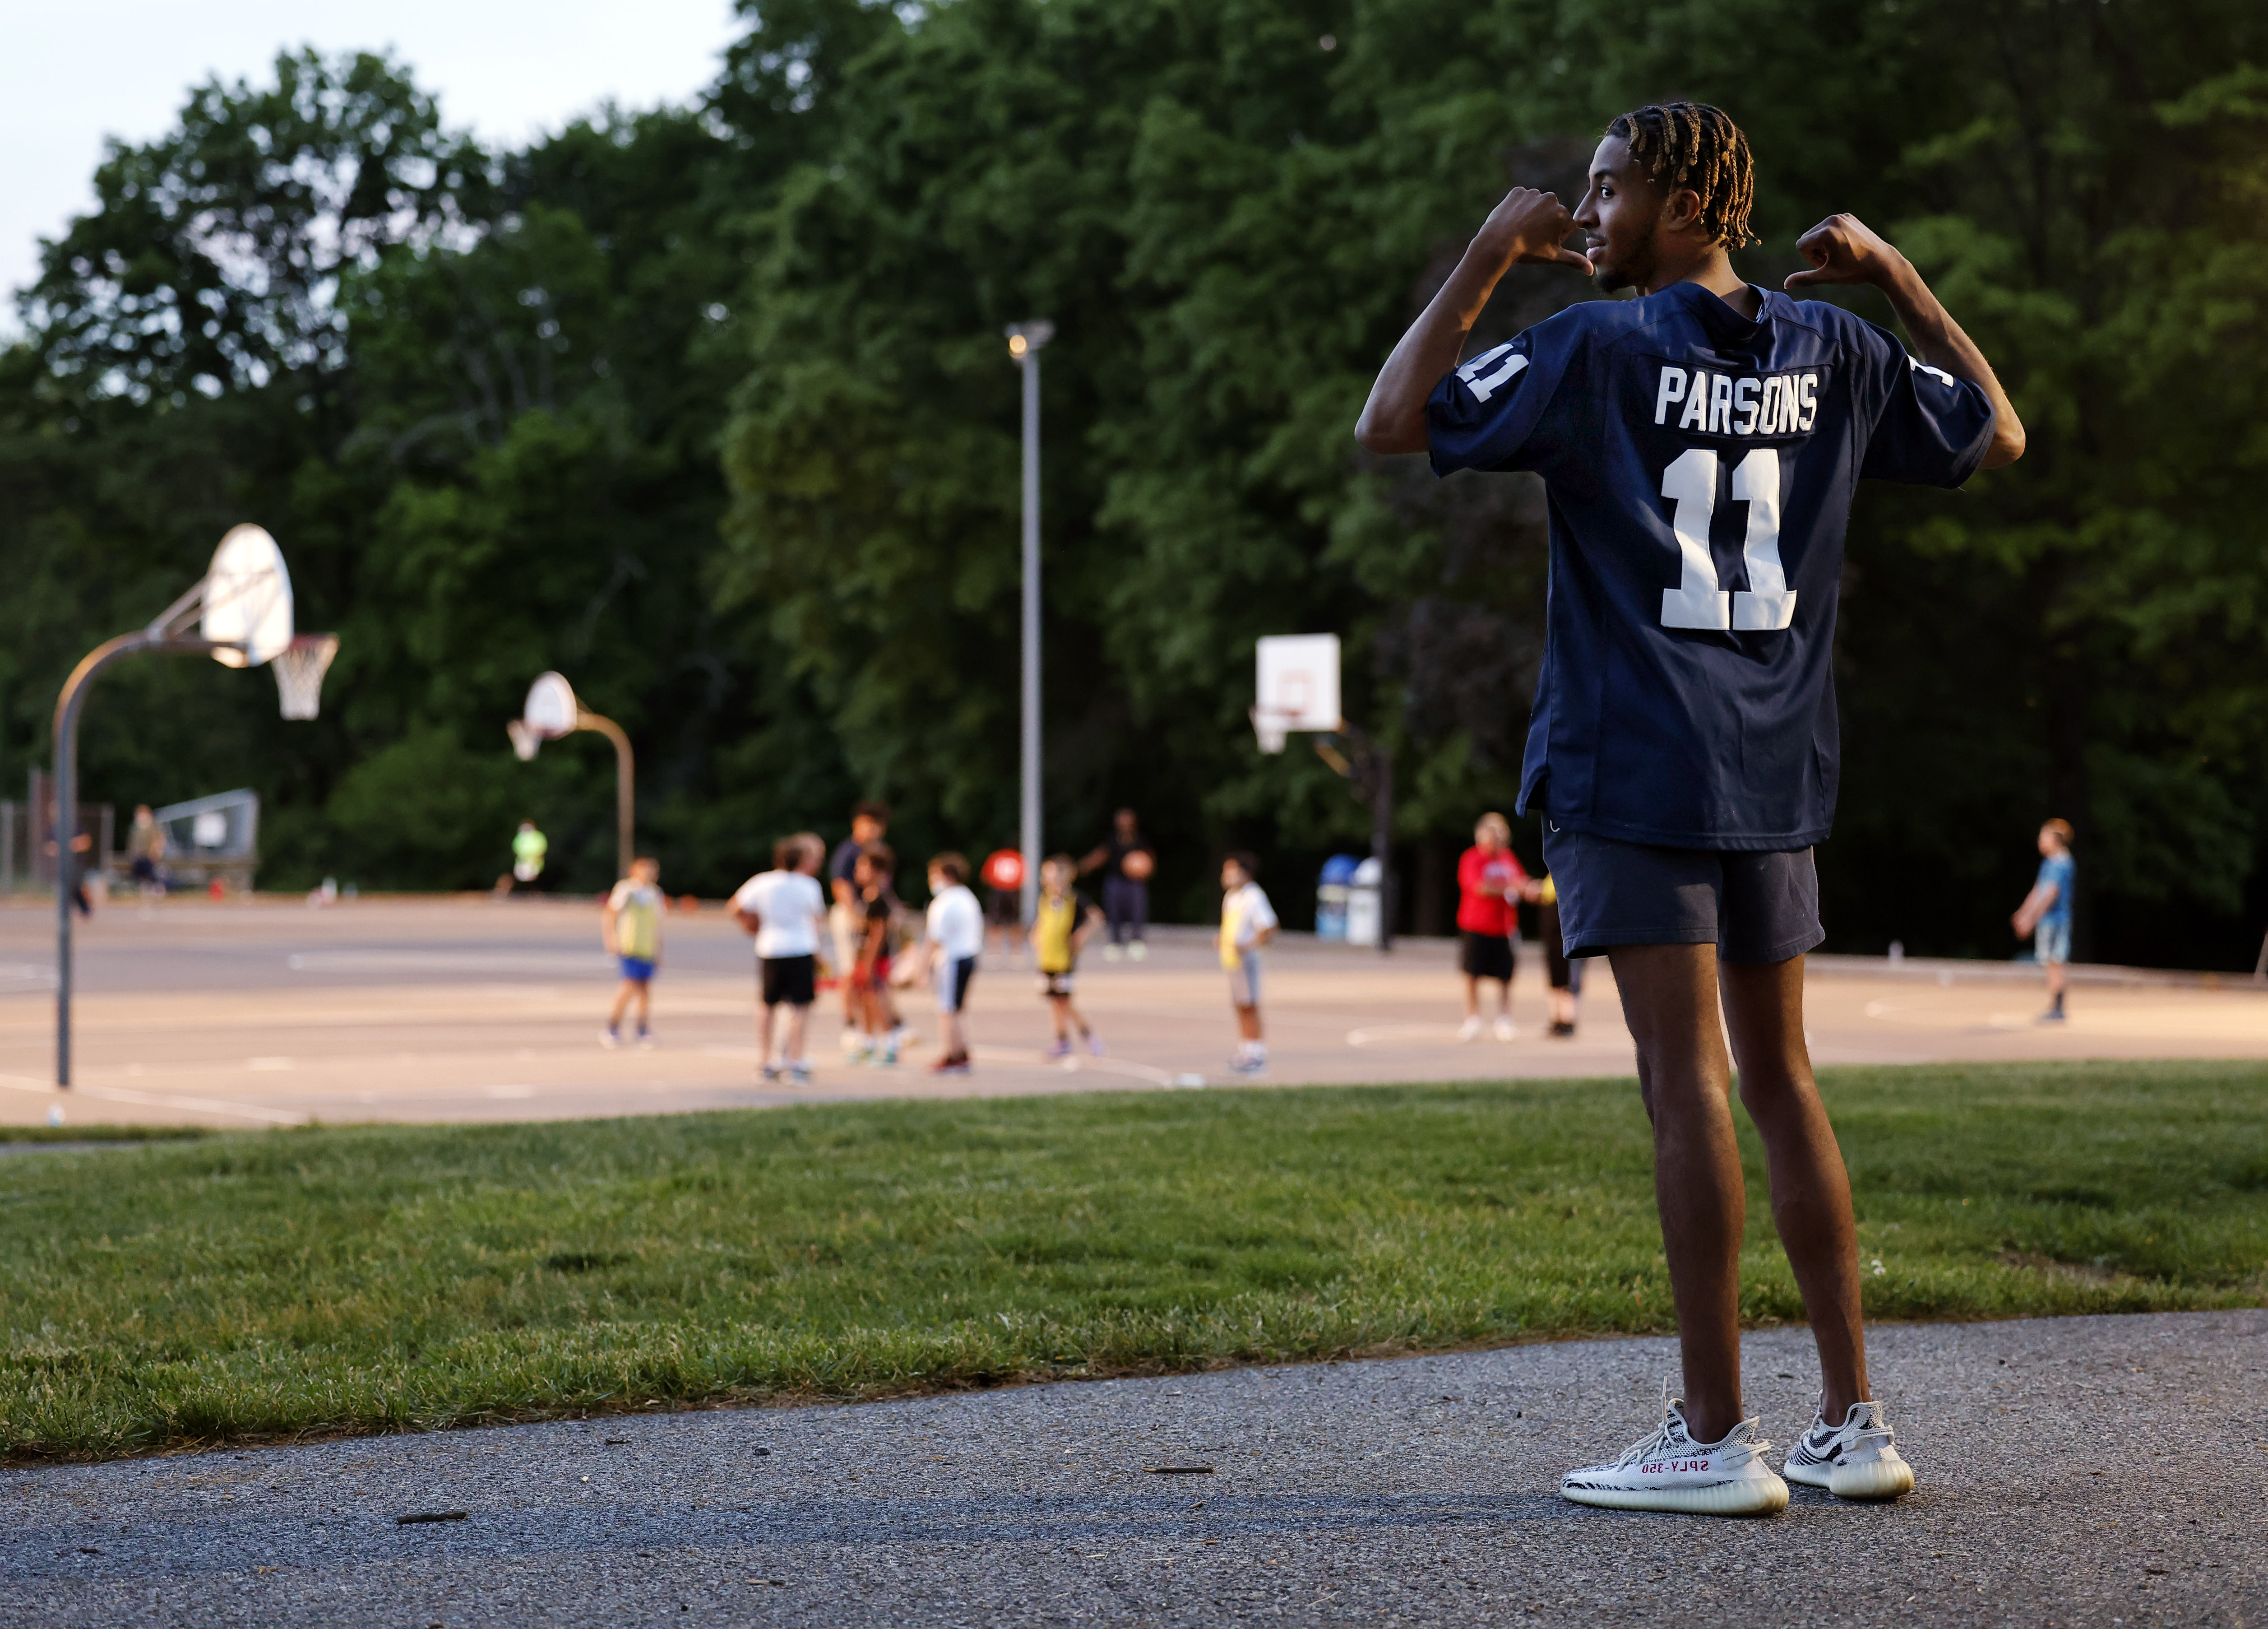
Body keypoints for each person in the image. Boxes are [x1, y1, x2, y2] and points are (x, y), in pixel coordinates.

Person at [1356, 101, 2023, 1513]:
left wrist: (1486, 252)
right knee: (1779, 1082)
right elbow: (1998, 433)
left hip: (1632, 761)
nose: (1580, 217)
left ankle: (1714, 1438)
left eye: (1603, 192)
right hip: (1774, 768)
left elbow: (1389, 421)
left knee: (1685, 1086)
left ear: (1677, 203)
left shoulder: (1596, 345)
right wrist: (1898, 277)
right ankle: (1851, 1420)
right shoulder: (1831, 347)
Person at [732, 832, 830, 1083]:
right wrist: (819, 956)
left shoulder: (763, 882)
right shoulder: (809, 886)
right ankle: (794, 1061)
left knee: (767, 1005)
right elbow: (814, 922)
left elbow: (736, 907)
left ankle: (766, 1060)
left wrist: (751, 925)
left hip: (770, 947)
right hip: (800, 948)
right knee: (800, 1008)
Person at [1456, 812, 1536, 1041]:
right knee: (1472, 974)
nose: (1499, 838)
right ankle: (1472, 1019)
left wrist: (1532, 888)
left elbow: (1521, 881)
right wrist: (1510, 887)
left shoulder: (1508, 858)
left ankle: (1504, 1019)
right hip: (1476, 925)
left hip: (1504, 927)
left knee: (1506, 976)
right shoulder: (1472, 858)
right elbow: (1480, 887)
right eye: (1494, 832)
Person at [829, 802, 890, 1050]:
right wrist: (853, 912)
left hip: (868, 915)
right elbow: (840, 884)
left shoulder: (879, 852)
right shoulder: (850, 850)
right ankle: (851, 1024)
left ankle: (876, 1030)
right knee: (849, 972)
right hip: (853, 914)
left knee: (869, 978)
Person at [1031, 855, 1104, 1058]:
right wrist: (1036, 934)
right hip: (1047, 958)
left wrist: (1082, 935)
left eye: (1050, 873)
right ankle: (1062, 1039)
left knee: (1064, 1002)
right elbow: (1042, 922)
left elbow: (1097, 917)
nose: (1045, 878)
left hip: (1064, 959)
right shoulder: (1046, 898)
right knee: (1055, 1002)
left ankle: (1085, 1035)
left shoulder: (1074, 899)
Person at [924, 852, 985, 1073]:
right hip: (969, 955)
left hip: (953, 959)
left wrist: (922, 968)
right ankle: (961, 1051)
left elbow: (934, 938)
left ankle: (953, 1055)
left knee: (948, 1009)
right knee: (958, 1008)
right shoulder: (968, 897)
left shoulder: (945, 901)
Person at [1218, 852, 1277, 1077]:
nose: (1226, 876)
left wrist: (1249, 945)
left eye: (1231, 870)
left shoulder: (1254, 896)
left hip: (1247, 960)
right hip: (1232, 960)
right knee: (1240, 1005)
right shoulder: (1232, 897)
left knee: (1250, 1004)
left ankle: (1257, 1054)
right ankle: (1246, 1050)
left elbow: (1269, 927)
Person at [2011, 819, 2076, 1023]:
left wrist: (2031, 918)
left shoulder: (2061, 863)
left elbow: (2050, 893)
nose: (2040, 841)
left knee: (2055, 962)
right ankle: (2056, 1005)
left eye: (2043, 837)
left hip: (2056, 920)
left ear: (2056, 840)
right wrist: (2023, 913)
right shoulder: (2049, 862)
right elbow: (2038, 890)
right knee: (2051, 963)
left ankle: (2058, 1006)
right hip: (2049, 920)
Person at [601, 856, 664, 1048]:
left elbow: (657, 925)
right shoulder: (626, 890)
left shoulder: (655, 894)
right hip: (629, 945)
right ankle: (612, 1026)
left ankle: (642, 1028)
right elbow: (610, 915)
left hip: (647, 948)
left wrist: (659, 949)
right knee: (628, 986)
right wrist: (611, 940)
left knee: (645, 989)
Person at [848, 844, 903, 1064]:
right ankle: (868, 1041)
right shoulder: (868, 896)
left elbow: (878, 933)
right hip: (865, 956)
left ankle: (890, 1043)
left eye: (863, 867)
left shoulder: (879, 898)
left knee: (878, 999)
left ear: (878, 871)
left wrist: (869, 963)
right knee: (864, 999)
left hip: (875, 958)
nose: (858, 872)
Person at [1078, 808, 1157, 961]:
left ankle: (1137, 941)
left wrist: (1146, 869)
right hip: (1116, 880)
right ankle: (1115, 942)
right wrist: (1085, 866)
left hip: (1135, 883)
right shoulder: (1112, 840)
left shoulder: (1140, 841)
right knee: (1113, 908)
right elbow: (1101, 855)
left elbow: (1149, 860)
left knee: (1138, 909)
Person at [1537, 871, 1583, 1037]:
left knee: (1570, 974)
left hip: (1566, 919)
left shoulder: (1575, 865)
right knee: (1556, 973)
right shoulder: (1555, 870)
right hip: (1553, 919)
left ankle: (1568, 1018)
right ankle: (1558, 1017)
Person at [980, 847, 1026, 965]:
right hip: (1011, 891)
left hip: (1001, 891)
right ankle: (1014, 951)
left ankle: (997, 951)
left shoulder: (997, 857)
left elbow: (987, 876)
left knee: (1002, 922)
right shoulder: (1017, 858)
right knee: (1010, 922)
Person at [511, 820, 547, 886]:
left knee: (534, 880)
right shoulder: (519, 838)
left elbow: (542, 849)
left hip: (535, 864)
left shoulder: (538, 836)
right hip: (522, 863)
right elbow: (515, 850)